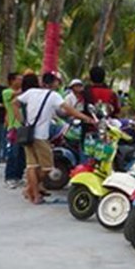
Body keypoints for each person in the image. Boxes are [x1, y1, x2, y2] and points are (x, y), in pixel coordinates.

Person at [16, 72, 94, 205]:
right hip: (41, 136)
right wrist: (86, 118)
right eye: (57, 81)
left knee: (32, 166)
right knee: (47, 167)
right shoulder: (54, 95)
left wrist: (22, 121)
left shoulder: (31, 92)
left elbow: (14, 103)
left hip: (28, 133)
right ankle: (31, 191)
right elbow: (68, 110)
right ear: (52, 83)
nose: (58, 84)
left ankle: (33, 193)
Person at [2, 72, 25, 188]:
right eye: (19, 79)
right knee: (13, 154)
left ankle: (18, 176)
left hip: (22, 126)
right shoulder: (7, 92)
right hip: (14, 126)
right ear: (12, 81)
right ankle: (9, 177)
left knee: (22, 154)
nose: (21, 81)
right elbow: (15, 95)